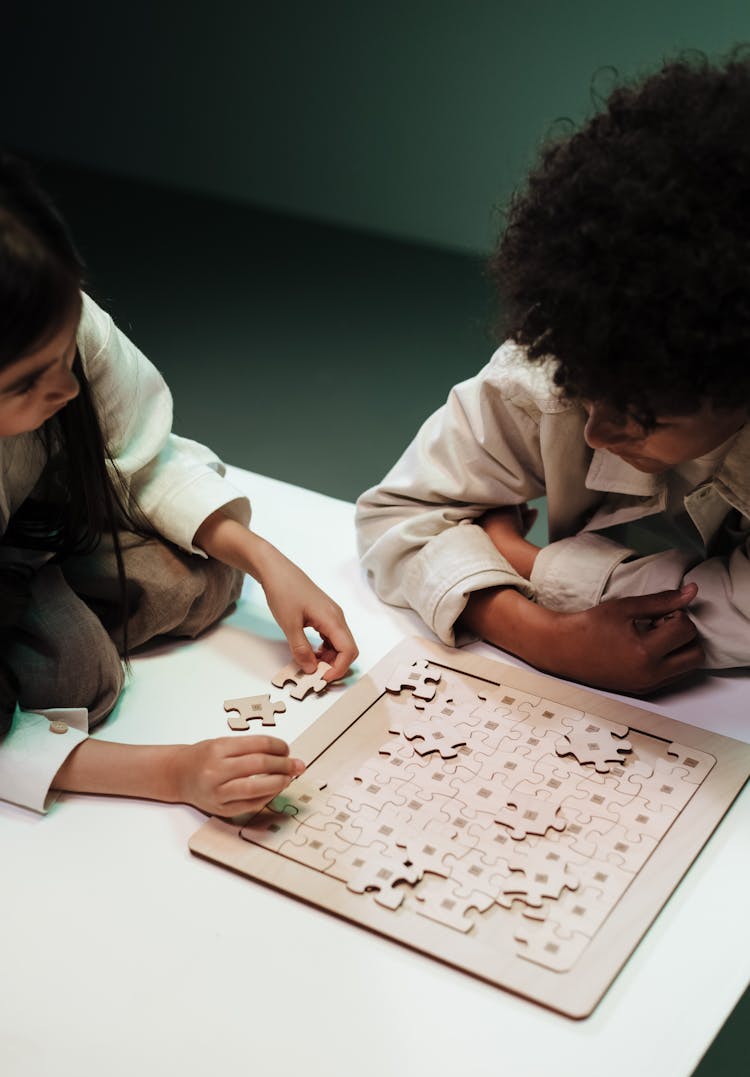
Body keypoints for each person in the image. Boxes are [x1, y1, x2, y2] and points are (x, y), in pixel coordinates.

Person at [356, 51, 750, 697]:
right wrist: (538, 634)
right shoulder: (558, 364)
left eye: (647, 418)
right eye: (587, 393)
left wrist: (525, 559)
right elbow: (398, 513)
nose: (596, 431)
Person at [0, 151, 358, 816]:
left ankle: (46, 575)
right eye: (25, 383)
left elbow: (146, 455)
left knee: (207, 577)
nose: (69, 388)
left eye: (65, 354)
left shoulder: (59, 315)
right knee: (79, 678)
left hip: (35, 517)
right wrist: (175, 772)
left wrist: (269, 560)